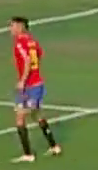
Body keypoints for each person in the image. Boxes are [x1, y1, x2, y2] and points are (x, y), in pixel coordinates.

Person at [9, 16, 62, 162]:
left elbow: (27, 61)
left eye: (12, 26)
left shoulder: (20, 42)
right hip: (37, 82)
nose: (10, 29)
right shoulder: (32, 41)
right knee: (37, 115)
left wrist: (22, 81)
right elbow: (38, 55)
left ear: (21, 27)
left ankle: (28, 154)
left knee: (20, 117)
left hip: (29, 86)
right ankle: (54, 146)